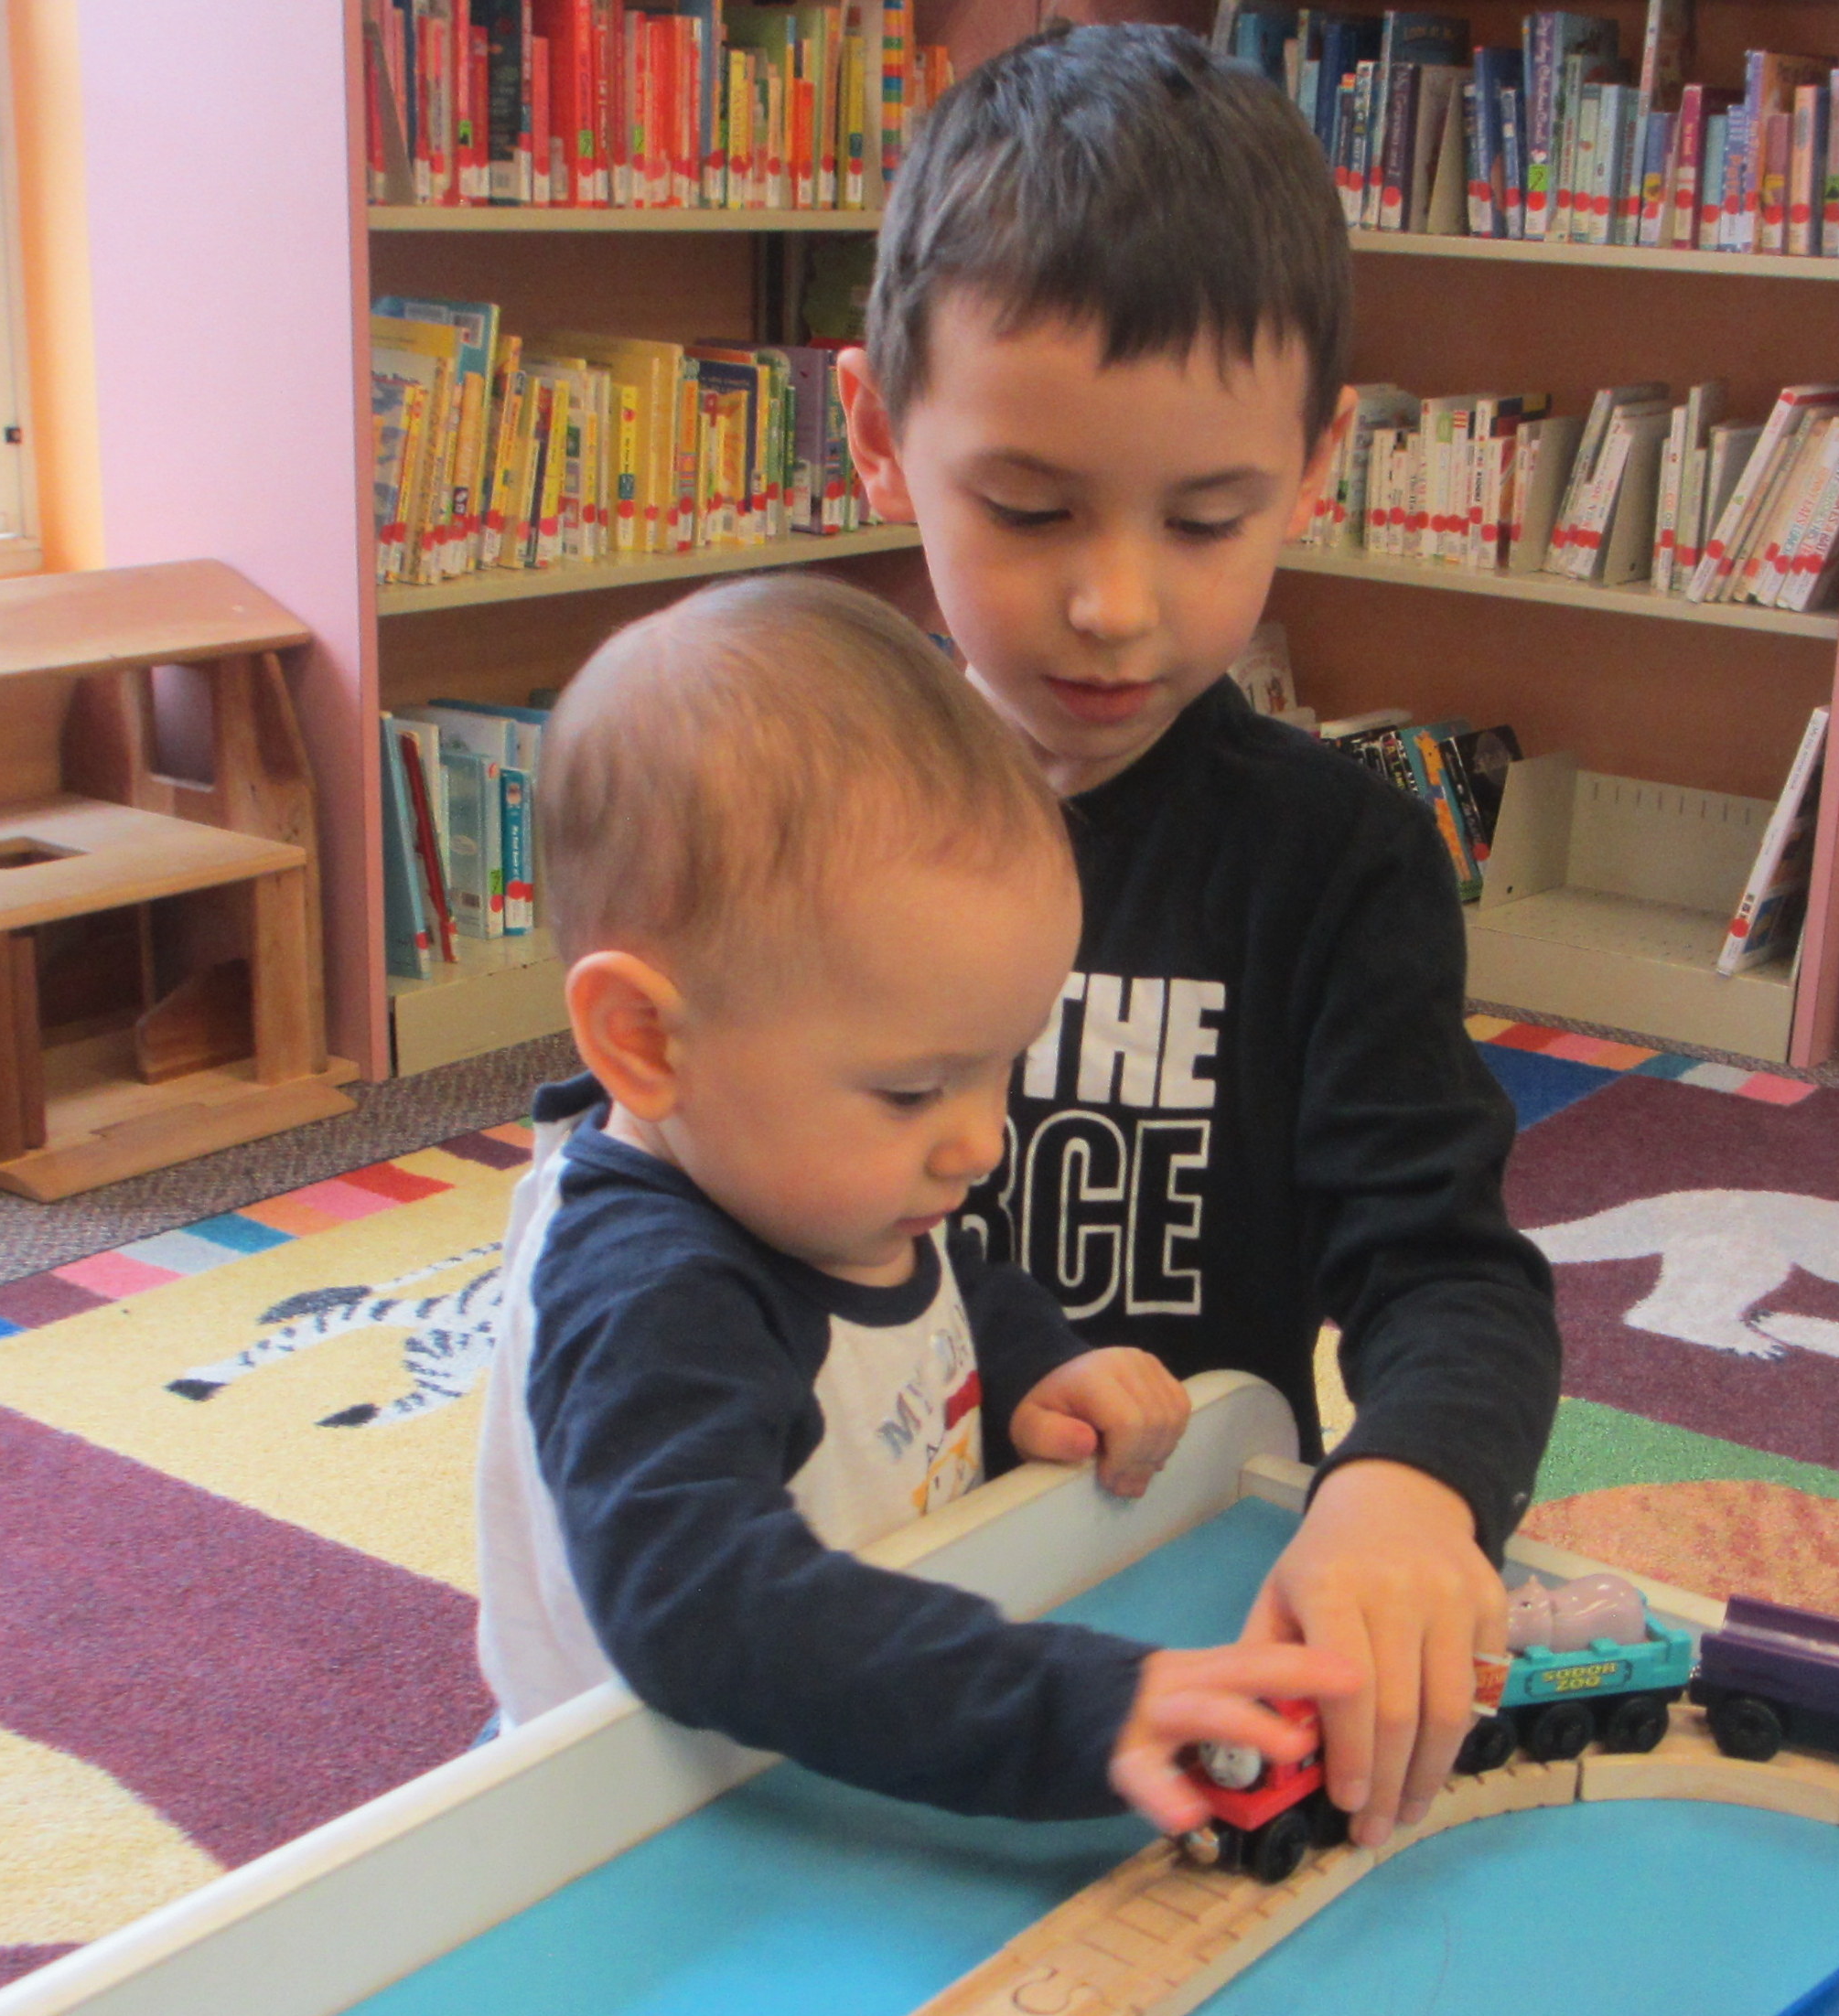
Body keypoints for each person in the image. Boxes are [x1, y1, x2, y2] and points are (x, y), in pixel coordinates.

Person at [836, 22, 1562, 1850]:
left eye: (1207, 517)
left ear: (1316, 466)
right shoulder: (787, 819)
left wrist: (1406, 1487)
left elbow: (1449, 1276)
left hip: (1169, 1591)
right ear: (877, 435)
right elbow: (636, 1182)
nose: (1112, 602)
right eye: (1027, 509)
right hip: (842, 1597)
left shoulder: (1337, 862)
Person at [472, 574, 1353, 1824]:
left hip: (833, 1750)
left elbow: (923, 1289)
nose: (981, 1144)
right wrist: (1070, 1707)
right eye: (912, 1091)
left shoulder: (805, 1183)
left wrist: (1032, 1360)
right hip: (634, 1823)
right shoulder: (650, 1300)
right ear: (644, 1042)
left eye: (1004, 1066)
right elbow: (708, 1610)